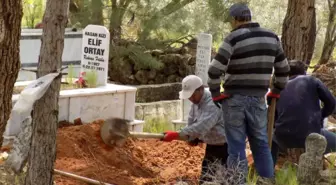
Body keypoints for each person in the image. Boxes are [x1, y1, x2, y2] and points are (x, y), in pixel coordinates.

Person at [207, 2, 290, 182]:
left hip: (234, 99)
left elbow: (214, 70)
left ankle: (238, 181)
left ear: (234, 20)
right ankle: (267, 181)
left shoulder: (233, 38)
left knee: (236, 147)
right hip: (258, 99)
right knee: (260, 144)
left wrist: (215, 93)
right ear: (250, 17)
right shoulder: (272, 37)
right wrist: (276, 90)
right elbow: (283, 69)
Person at [162, 75, 228, 184]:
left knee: (224, 180)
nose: (191, 99)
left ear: (201, 89)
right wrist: (191, 137)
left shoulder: (212, 103)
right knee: (206, 180)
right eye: (189, 96)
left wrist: (177, 135)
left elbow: (201, 127)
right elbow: (191, 121)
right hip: (212, 146)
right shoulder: (196, 103)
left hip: (226, 149)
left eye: (193, 95)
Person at [271, 60, 336, 165]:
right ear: (304, 72)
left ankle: (267, 176)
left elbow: (272, 117)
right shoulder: (312, 80)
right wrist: (320, 117)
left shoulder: (278, 89)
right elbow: (332, 103)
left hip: (283, 137)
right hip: (311, 134)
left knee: (271, 142)